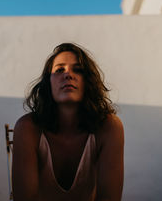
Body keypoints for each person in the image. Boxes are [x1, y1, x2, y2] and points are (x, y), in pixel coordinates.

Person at [12, 43, 124, 201]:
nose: (68, 75)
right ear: (48, 83)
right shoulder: (27, 128)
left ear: (88, 81)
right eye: (59, 70)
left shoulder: (108, 127)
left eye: (78, 69)